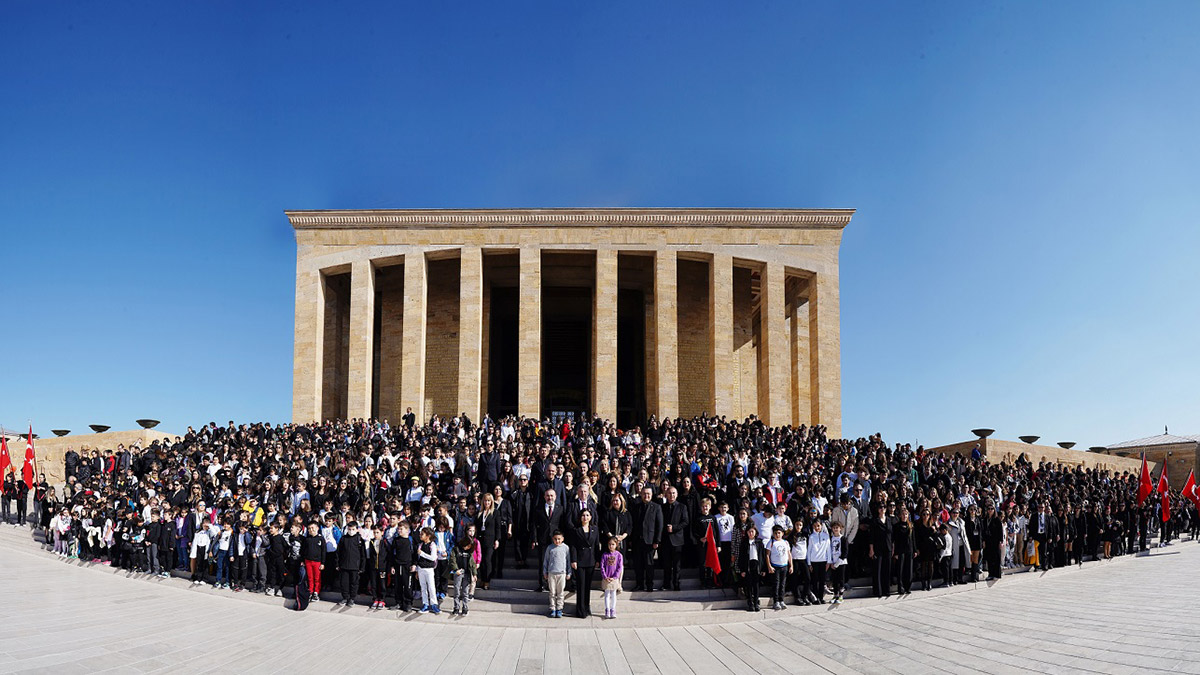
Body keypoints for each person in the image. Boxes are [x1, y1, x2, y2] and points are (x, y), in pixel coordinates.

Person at [630, 487, 663, 592]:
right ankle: (639, 584)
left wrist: (657, 540)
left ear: (652, 495)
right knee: (638, 564)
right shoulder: (636, 507)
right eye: (644, 494)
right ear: (641, 494)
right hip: (637, 541)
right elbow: (633, 524)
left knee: (649, 565)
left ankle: (649, 585)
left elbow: (659, 525)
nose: (646, 496)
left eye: (648, 494)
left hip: (650, 541)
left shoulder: (657, 507)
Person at [570, 509, 600, 617]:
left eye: (587, 515)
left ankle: (587, 608)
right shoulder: (576, 530)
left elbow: (597, 545)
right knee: (581, 586)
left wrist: (598, 560)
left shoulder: (595, 529)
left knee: (587, 586)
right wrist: (573, 560)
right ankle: (580, 610)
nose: (585, 517)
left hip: (591, 560)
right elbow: (573, 546)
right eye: (583, 515)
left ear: (591, 517)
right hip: (580, 561)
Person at [542, 530, 572, 618]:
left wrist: (569, 572)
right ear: (552, 539)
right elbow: (546, 560)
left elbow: (568, 560)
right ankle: (553, 609)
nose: (557, 541)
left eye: (559, 539)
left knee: (560, 592)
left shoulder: (566, 548)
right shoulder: (550, 548)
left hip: (562, 573)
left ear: (562, 539)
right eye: (555, 539)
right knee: (552, 592)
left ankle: (559, 609)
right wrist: (545, 571)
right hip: (551, 573)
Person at [336, 521, 366, 607]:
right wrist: (337, 564)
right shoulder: (343, 539)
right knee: (344, 583)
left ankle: (352, 598)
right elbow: (338, 552)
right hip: (344, 565)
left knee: (354, 583)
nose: (351, 531)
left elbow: (362, 555)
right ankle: (345, 597)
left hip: (355, 566)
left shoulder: (359, 539)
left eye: (353, 529)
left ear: (357, 530)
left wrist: (362, 567)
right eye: (349, 529)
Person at [734, 525, 764, 612]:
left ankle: (756, 602)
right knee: (749, 585)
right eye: (749, 532)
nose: (751, 533)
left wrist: (763, 569)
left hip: (757, 565)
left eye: (752, 531)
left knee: (756, 585)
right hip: (748, 565)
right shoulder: (744, 543)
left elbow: (762, 556)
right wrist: (742, 570)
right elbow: (741, 557)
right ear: (746, 533)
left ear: (755, 532)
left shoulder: (759, 542)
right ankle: (750, 602)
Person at [446, 533, 477, 615]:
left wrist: (474, 574)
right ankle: (456, 607)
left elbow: (472, 563)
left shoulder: (469, 553)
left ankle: (465, 607)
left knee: (465, 592)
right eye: (467, 545)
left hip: (466, 573)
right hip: (458, 572)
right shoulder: (456, 549)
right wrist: (456, 569)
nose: (468, 547)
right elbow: (452, 560)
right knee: (456, 591)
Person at [390, 521, 415, 611]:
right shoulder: (396, 540)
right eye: (398, 529)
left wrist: (414, 564)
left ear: (407, 530)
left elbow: (415, 554)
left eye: (401, 529)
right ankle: (398, 602)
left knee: (407, 586)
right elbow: (392, 553)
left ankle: (408, 603)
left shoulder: (410, 540)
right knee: (397, 585)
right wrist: (392, 566)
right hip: (397, 565)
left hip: (407, 566)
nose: (399, 531)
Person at [766, 525, 792, 610]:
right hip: (775, 567)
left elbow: (789, 554)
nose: (777, 535)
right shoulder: (771, 542)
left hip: (784, 566)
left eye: (779, 533)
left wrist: (791, 565)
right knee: (776, 584)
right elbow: (767, 555)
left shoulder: (785, 542)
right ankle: (776, 601)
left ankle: (781, 600)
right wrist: (769, 566)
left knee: (782, 584)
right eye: (776, 533)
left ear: (782, 533)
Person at [416, 526, 440, 614]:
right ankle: (425, 604)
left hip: (429, 569)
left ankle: (434, 604)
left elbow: (433, 558)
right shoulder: (421, 545)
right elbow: (418, 558)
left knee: (431, 587)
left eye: (422, 534)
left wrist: (422, 553)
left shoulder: (432, 545)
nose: (420, 536)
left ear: (428, 536)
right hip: (421, 568)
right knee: (423, 587)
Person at [600, 536, 624, 619]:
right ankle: (607, 609)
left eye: (613, 544)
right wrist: (605, 576)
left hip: (614, 578)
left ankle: (613, 609)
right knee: (607, 594)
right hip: (606, 578)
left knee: (613, 594)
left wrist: (615, 577)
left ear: (616, 545)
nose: (611, 546)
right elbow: (602, 566)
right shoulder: (604, 555)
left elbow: (619, 567)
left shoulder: (619, 555)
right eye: (609, 544)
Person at [300, 522, 325, 601]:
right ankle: (310, 591)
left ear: (317, 528)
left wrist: (323, 563)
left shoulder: (321, 539)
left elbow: (323, 551)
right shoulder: (307, 539)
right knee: (310, 577)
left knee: (317, 578)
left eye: (313, 528)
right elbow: (303, 550)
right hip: (308, 561)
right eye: (309, 528)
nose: (311, 530)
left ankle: (316, 592)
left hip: (317, 562)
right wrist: (303, 560)